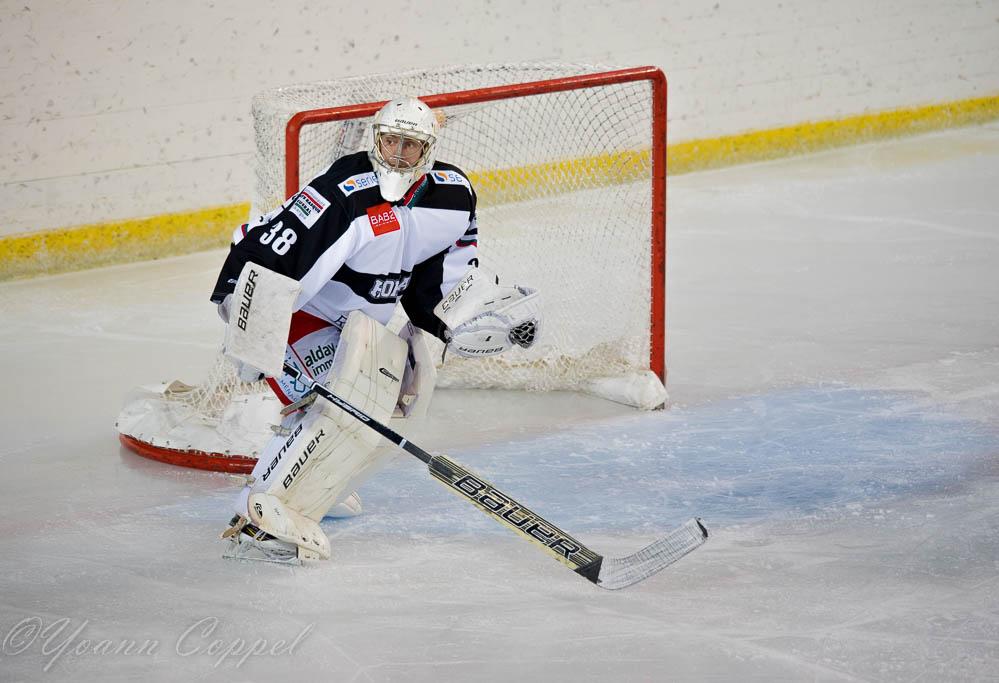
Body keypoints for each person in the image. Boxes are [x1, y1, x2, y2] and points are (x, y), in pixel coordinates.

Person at [209, 96, 541, 563]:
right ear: (376, 140)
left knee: (387, 403)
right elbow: (273, 249)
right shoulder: (345, 190)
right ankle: (259, 515)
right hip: (299, 313)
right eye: (391, 142)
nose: (398, 154)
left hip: (360, 325)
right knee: (339, 403)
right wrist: (250, 324)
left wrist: (462, 322)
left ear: (428, 150)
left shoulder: (453, 196)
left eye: (411, 145)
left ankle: (314, 484)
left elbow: (441, 279)